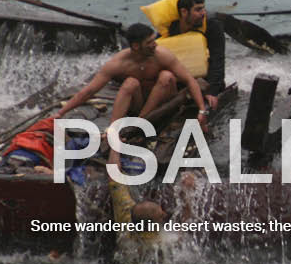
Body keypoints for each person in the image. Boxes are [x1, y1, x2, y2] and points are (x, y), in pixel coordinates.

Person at [53, 22, 208, 164]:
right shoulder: (118, 63)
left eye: (154, 40)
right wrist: (61, 113)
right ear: (135, 46)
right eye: (149, 42)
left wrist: (201, 110)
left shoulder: (162, 55)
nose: (154, 45)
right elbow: (90, 90)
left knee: (166, 76)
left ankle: (138, 124)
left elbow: (189, 80)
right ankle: (114, 133)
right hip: (140, 106)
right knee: (130, 83)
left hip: (164, 102)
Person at [167, 0, 225, 103]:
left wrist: (212, 92)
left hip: (204, 80)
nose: (203, 13)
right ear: (184, 12)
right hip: (179, 81)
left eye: (203, 8)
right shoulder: (170, 29)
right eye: (198, 10)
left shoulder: (213, 27)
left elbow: (218, 60)